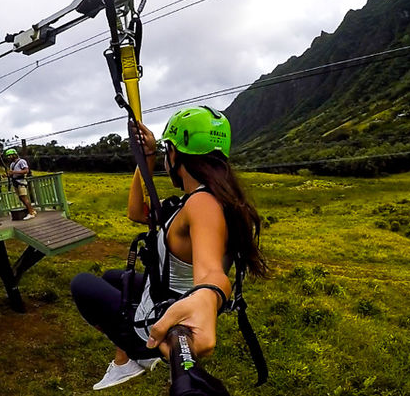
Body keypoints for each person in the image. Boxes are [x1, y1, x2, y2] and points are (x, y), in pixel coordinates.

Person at [70, 106, 267, 390]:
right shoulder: (207, 199)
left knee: (82, 285)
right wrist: (145, 159)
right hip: (167, 293)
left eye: (165, 153)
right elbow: (137, 212)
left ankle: (138, 352)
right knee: (114, 278)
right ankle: (124, 361)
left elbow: (211, 272)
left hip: (164, 325)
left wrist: (207, 296)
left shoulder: (202, 204)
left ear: (174, 155)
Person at [3, 148, 37, 219]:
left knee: (24, 197)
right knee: (21, 198)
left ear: (14, 155)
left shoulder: (21, 161)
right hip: (15, 182)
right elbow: (12, 173)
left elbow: (26, 170)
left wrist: (14, 172)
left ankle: (31, 212)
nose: (9, 158)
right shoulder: (12, 164)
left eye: (10, 156)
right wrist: (7, 175)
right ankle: (31, 210)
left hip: (21, 181)